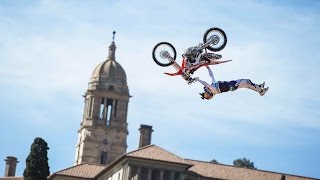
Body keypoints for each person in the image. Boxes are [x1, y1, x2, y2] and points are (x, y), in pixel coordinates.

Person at [194, 66, 269, 100]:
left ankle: (259, 88)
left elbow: (211, 76)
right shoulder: (213, 90)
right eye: (205, 94)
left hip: (232, 84)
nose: (205, 91)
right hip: (232, 86)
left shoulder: (213, 86)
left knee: (247, 82)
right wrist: (198, 80)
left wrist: (208, 68)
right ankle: (260, 90)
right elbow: (205, 84)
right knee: (246, 83)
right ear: (209, 95)